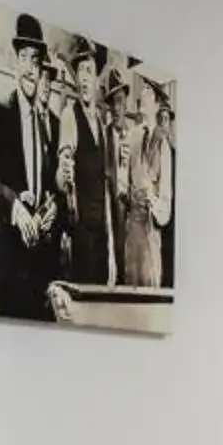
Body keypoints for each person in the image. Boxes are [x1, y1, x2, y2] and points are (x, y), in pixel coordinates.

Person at [0, 14, 62, 320]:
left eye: (35, 61)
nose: (29, 68)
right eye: (23, 58)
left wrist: (54, 207)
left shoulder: (45, 123)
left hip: (42, 262)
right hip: (11, 259)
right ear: (16, 63)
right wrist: (15, 206)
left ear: (40, 70)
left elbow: (51, 186)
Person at [56, 39, 118, 291]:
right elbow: (62, 170)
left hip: (101, 237)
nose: (83, 78)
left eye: (88, 72)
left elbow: (105, 190)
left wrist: (111, 248)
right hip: (80, 234)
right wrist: (64, 173)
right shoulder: (70, 115)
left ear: (96, 81)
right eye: (80, 71)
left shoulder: (103, 127)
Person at [114, 73, 172, 290]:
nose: (142, 94)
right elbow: (120, 186)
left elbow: (166, 206)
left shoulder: (163, 146)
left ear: (157, 104)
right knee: (130, 293)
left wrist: (152, 201)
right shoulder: (130, 137)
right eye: (144, 88)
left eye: (148, 90)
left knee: (149, 293)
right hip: (131, 233)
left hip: (151, 232)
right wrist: (126, 192)